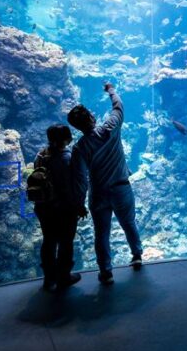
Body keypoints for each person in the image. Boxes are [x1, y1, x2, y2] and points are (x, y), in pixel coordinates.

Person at [68, 82, 142, 284]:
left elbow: (80, 178)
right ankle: (136, 255)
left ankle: (106, 272)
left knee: (101, 233)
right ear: (92, 118)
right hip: (121, 188)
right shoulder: (111, 128)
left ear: (76, 127)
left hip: (98, 193)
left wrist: (79, 203)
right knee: (129, 223)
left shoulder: (79, 148)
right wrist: (111, 90)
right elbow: (118, 107)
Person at [33, 124, 86, 291]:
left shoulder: (40, 155)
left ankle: (49, 278)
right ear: (67, 138)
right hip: (63, 208)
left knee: (49, 241)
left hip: (43, 207)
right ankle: (64, 276)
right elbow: (71, 186)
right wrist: (79, 205)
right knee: (66, 242)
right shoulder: (67, 158)